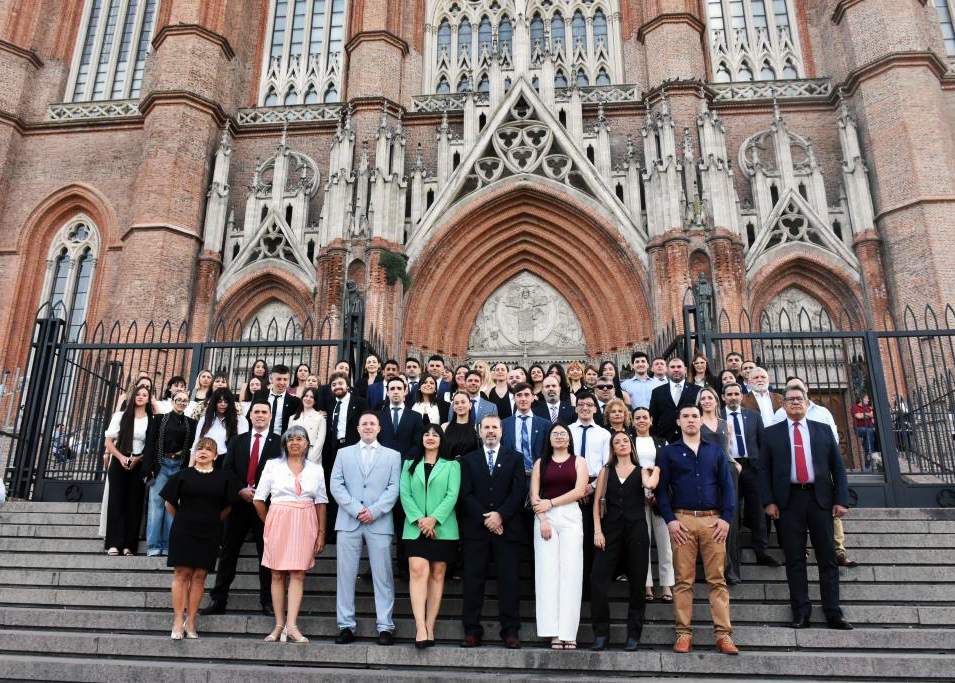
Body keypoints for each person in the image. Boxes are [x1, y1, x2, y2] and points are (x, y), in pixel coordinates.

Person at [759, 385, 853, 631]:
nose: (795, 402)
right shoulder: (771, 434)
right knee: (794, 559)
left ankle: (833, 613)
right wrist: (768, 501)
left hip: (820, 499)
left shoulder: (822, 430)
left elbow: (838, 468)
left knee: (828, 558)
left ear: (807, 402)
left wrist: (841, 499)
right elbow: (764, 470)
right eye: (790, 399)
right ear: (783, 405)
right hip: (788, 501)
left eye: (799, 398)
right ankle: (801, 612)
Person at [656, 405, 738, 655]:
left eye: (694, 416)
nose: (690, 420)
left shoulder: (714, 450)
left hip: (713, 521)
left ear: (701, 420)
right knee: (683, 581)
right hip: (682, 521)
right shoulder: (668, 452)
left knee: (717, 580)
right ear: (678, 422)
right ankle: (683, 634)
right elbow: (661, 490)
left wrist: (726, 519)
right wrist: (670, 520)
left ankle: (723, 635)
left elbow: (727, 486)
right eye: (686, 417)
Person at [202, 401, 281, 616]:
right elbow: (227, 470)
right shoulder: (238, 441)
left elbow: (281, 474)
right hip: (238, 506)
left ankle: (267, 600)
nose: (260, 415)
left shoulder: (278, 442)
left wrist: (261, 494)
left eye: (264, 412)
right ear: (250, 416)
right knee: (228, 553)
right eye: (256, 412)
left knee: (266, 554)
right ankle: (218, 600)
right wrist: (241, 490)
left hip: (265, 507)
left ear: (270, 416)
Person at [330, 412, 402, 646]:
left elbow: (394, 488)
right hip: (348, 521)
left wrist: (374, 511)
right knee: (345, 575)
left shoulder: (393, 456)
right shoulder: (343, 453)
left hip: (379, 522)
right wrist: (356, 509)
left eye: (372, 423)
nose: (368, 427)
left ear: (379, 428)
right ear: (358, 428)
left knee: (383, 576)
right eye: (364, 424)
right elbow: (336, 484)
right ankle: (345, 625)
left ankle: (385, 626)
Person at [772, 377, 859, 568]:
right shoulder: (780, 413)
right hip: (794, 476)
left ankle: (838, 550)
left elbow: (833, 438)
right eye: (791, 390)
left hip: (820, 471)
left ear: (806, 390)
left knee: (830, 512)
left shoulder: (822, 412)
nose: (795, 398)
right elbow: (775, 440)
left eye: (799, 389)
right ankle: (801, 550)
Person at [253, 425, 328, 643]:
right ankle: (278, 625)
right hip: (279, 519)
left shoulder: (316, 469)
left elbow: (321, 502)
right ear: (285, 444)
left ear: (307, 444)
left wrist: (321, 533)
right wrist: (269, 522)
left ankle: (292, 626)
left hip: (305, 521)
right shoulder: (272, 465)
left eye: (300, 439)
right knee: (277, 573)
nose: (295, 442)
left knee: (298, 573)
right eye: (290, 439)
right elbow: (258, 499)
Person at [160, 436, 238, 640]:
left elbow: (228, 506)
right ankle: (178, 620)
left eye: (208, 449)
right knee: (181, 573)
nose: (203, 452)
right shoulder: (183, 475)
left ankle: (191, 620)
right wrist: (182, 521)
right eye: (200, 448)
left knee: (199, 576)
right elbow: (169, 503)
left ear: (216, 455)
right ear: (194, 453)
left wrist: (212, 520)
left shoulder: (223, 478)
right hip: (183, 530)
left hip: (209, 532)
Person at [458, 415, 525, 649]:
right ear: (479, 431)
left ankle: (510, 630)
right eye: (486, 427)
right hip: (476, 530)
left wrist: (500, 515)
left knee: (509, 581)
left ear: (501, 431)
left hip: (507, 529)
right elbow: (465, 493)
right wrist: (486, 518)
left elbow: (518, 491)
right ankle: (471, 630)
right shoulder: (468, 460)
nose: (490, 431)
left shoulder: (515, 458)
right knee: (473, 581)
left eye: (494, 427)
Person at [590, 431, 653, 651]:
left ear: (631, 445)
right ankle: (601, 634)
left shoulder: (642, 471)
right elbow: (597, 503)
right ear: (613, 448)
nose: (622, 444)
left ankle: (634, 635)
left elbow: (650, 489)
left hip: (637, 531)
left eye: (625, 440)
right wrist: (597, 531)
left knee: (637, 584)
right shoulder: (606, 471)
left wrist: (653, 479)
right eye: (617, 442)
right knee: (597, 580)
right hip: (610, 531)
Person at [399, 424, 460, 648]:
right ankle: (420, 627)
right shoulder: (409, 465)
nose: (430, 437)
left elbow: (452, 494)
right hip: (415, 527)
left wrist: (434, 519)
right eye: (427, 434)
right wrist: (420, 520)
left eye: (435, 434)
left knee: (437, 573)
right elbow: (404, 494)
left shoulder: (452, 465)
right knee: (417, 569)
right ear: (421, 439)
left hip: (443, 528)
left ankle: (430, 625)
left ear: (441, 439)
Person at [529, 422, 589, 649]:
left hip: (570, 515)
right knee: (547, 574)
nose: (560, 437)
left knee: (571, 573)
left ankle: (568, 632)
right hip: (545, 517)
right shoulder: (541, 463)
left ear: (569, 438)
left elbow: (580, 490)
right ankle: (552, 632)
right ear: (549, 439)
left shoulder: (579, 461)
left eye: (563, 433)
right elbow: (534, 495)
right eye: (555, 434)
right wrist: (543, 518)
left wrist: (552, 502)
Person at [722, 382, 779, 568]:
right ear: (723, 397)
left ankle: (762, 551)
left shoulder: (753, 416)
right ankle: (734, 552)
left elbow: (763, 443)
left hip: (752, 468)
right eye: (729, 394)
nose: (733, 397)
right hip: (729, 467)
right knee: (731, 509)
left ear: (741, 396)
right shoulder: (718, 417)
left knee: (758, 511)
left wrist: (763, 467)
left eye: (736, 394)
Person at [378, 377, 425, 574]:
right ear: (387, 392)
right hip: (381, 474)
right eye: (392, 388)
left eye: (399, 388)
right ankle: (377, 566)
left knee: (404, 519)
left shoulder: (415, 417)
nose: (396, 391)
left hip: (407, 473)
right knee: (381, 520)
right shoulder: (378, 416)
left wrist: (401, 463)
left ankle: (404, 565)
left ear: (406, 391)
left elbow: (418, 444)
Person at [697, 386, 743, 585]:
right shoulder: (696, 423)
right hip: (706, 474)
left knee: (730, 519)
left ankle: (730, 571)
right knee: (710, 519)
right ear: (699, 402)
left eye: (710, 397)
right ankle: (712, 569)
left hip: (728, 472)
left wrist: (735, 463)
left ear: (717, 400)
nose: (707, 401)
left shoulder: (726, 424)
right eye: (703, 398)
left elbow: (727, 450)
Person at [142, 391, 195, 557]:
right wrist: (148, 467)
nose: (181, 403)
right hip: (161, 465)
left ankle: (168, 545)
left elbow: (192, 448)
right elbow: (150, 443)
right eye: (178, 400)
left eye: (185, 401)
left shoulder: (191, 423)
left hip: (179, 466)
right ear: (172, 401)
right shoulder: (159, 419)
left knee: (173, 506)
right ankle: (153, 546)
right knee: (156, 505)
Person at [569, 392, 611, 591]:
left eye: (589, 404)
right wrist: (577, 489)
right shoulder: (567, 431)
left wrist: (591, 487)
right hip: (570, 489)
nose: (585, 408)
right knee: (574, 539)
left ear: (595, 408)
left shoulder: (604, 434)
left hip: (596, 487)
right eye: (580, 404)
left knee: (592, 539)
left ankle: (592, 586)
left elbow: (607, 465)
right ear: (576, 408)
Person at [104, 384, 153, 556]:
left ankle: (128, 546)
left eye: (144, 395)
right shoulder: (120, 416)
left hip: (138, 462)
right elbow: (108, 442)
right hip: (119, 460)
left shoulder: (151, 419)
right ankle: (113, 543)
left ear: (148, 399)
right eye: (138, 394)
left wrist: (137, 459)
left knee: (134, 504)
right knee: (116, 502)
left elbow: (151, 446)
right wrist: (121, 457)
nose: (140, 397)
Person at [632, 407, 673, 603]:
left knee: (665, 543)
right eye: (637, 418)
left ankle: (667, 584)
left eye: (644, 417)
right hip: (636, 496)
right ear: (632, 421)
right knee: (642, 543)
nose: (641, 420)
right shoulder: (628, 441)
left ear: (651, 420)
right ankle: (646, 584)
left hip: (660, 496)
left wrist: (658, 493)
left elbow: (667, 470)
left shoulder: (662, 443)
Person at [322, 371, 368, 534]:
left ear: (347, 386)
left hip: (353, 449)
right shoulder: (329, 404)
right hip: (334, 451)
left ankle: (356, 525)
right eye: (334, 385)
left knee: (353, 487)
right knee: (335, 487)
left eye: (340, 383)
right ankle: (334, 528)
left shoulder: (360, 402)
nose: (337, 387)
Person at [649, 358, 701, 444]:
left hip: (691, 439)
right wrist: (656, 440)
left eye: (679, 367)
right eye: (672, 367)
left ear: (685, 369)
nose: (676, 369)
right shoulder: (657, 392)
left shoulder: (697, 390)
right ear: (667, 370)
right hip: (665, 440)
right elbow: (653, 419)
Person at [191, 387, 249, 464]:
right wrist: (190, 466)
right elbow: (196, 444)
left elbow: (242, 447)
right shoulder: (204, 420)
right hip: (206, 461)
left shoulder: (240, 420)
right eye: (219, 401)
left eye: (226, 402)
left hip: (228, 461)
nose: (223, 404)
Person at [501, 383, 549, 474]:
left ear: (533, 398)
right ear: (514, 398)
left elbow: (547, 452)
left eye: (527, 395)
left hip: (538, 474)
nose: (523, 399)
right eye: (519, 395)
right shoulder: (503, 424)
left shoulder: (545, 424)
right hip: (511, 474)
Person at [288, 386, 327, 464]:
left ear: (315, 401)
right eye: (306, 396)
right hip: (294, 455)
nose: (308, 399)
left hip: (312, 456)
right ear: (302, 398)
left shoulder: (320, 417)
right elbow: (288, 439)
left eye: (312, 397)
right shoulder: (292, 418)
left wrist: (310, 459)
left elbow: (320, 441)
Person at [442, 391, 480, 459]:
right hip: (448, 465)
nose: (459, 405)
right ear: (453, 407)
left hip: (470, 465)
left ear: (470, 405)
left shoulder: (477, 428)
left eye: (463, 402)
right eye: (456, 403)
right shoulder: (444, 427)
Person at [267, 365, 302, 437]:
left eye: (285, 379)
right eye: (278, 379)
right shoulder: (260, 396)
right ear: (271, 379)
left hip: (282, 440)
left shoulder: (295, 402)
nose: (282, 383)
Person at [853, 394, 876, 470]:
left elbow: (872, 417)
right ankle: (871, 452)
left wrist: (865, 415)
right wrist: (867, 414)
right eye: (866, 398)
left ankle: (867, 466)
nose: (868, 400)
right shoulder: (855, 407)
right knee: (869, 432)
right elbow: (858, 416)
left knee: (869, 437)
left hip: (869, 428)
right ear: (861, 399)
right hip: (859, 429)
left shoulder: (869, 408)